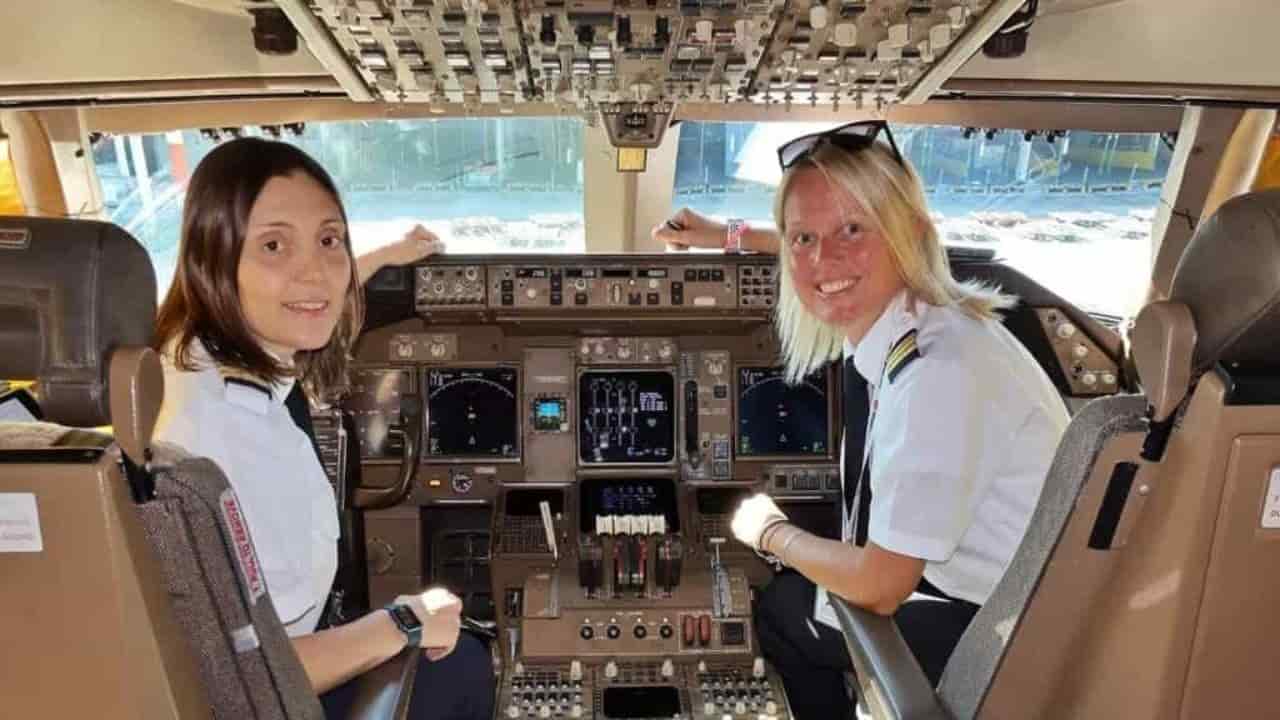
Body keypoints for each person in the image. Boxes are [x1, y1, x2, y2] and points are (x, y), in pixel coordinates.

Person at [659, 121, 1068, 719]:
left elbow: (881, 585)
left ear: (909, 234)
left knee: (782, 612)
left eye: (854, 228)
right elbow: (835, 259)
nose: (825, 258)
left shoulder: (937, 374)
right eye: (803, 238)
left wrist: (771, 532)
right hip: (1025, 599)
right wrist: (731, 235)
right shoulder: (933, 321)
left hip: (1002, 632)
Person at [152, 136, 494, 719]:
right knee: (462, 661)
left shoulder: (184, 355)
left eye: (329, 240)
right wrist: (403, 620)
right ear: (213, 257)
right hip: (263, 693)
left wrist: (385, 255)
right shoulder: (216, 438)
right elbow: (247, 669)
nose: (315, 272)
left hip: (267, 666)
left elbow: (313, 290)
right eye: (274, 245)